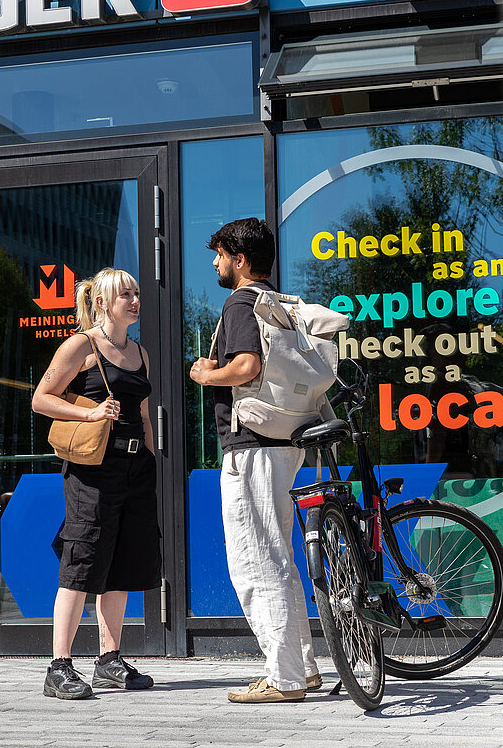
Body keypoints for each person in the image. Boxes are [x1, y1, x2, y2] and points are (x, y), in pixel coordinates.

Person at [189, 218, 323, 703]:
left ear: (240, 260)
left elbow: (246, 366)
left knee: (255, 561)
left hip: (250, 446)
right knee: (279, 557)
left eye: (219, 255)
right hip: (283, 441)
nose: (215, 263)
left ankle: (284, 678)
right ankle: (302, 668)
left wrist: (207, 374)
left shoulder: (240, 303)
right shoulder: (276, 304)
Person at [31, 267, 161, 700]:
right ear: (102, 302)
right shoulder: (81, 345)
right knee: (82, 559)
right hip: (93, 467)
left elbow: (141, 412)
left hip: (134, 467)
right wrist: (89, 414)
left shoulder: (141, 353)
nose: (135, 300)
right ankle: (59, 667)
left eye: (137, 293)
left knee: (122, 561)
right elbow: (41, 399)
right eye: (125, 294)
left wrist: (150, 453)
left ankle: (108, 660)